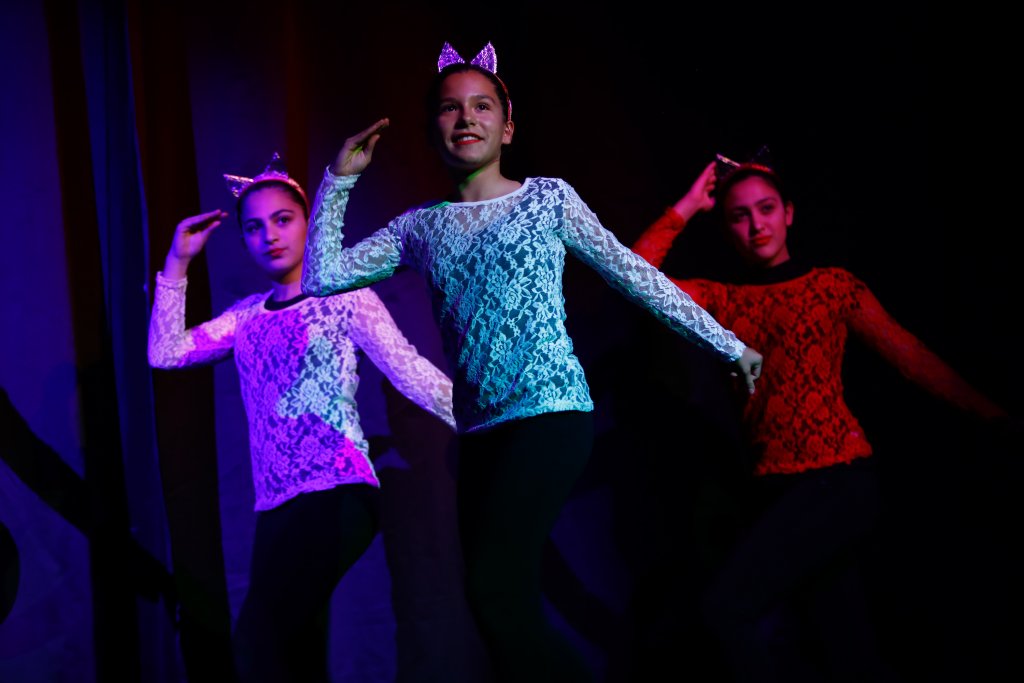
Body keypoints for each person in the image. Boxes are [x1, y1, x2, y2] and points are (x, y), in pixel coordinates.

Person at [299, 42, 763, 683]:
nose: (466, 117)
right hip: (478, 435)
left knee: (496, 592)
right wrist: (339, 180)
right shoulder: (420, 226)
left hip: (550, 416)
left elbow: (634, 274)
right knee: (493, 607)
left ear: (508, 127)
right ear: (432, 129)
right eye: (450, 108)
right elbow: (321, 276)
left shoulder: (547, 200)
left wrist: (727, 344)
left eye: (482, 106)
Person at [629, 155, 1010, 682]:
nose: (756, 224)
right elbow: (635, 275)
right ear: (727, 227)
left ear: (789, 213)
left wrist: (991, 414)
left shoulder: (833, 286)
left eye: (766, 209)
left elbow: (910, 355)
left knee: (725, 609)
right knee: (846, 649)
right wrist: (691, 204)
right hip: (774, 490)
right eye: (740, 215)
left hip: (839, 480)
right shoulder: (722, 300)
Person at [147, 154, 456, 683]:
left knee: (259, 644)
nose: (269, 235)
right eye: (254, 227)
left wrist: (487, 418)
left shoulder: (344, 298)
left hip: (337, 491)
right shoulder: (245, 318)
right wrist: (178, 262)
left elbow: (410, 371)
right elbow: (165, 352)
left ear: (308, 224)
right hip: (275, 508)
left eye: (283, 219)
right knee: (296, 656)